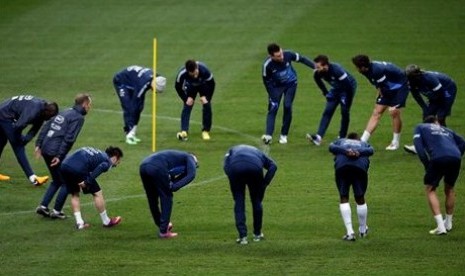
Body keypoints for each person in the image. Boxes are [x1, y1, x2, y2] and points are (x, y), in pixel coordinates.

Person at [35, 93, 92, 219]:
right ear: (84, 104)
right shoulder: (78, 117)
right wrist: (60, 156)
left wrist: (39, 144)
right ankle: (56, 211)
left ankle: (43, 206)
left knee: (57, 180)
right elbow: (69, 139)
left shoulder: (65, 111)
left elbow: (47, 125)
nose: (89, 108)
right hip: (55, 151)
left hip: (46, 148)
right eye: (89, 105)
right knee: (68, 181)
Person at [412, 116, 465, 235]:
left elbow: (419, 148)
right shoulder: (447, 130)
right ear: (436, 122)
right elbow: (463, 143)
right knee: (450, 188)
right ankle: (449, 223)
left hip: (438, 158)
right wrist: (456, 154)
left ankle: (441, 226)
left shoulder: (420, 127)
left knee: (430, 189)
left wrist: (427, 164)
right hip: (455, 158)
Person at [352, 55, 409, 150]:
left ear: (362, 67)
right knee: (376, 112)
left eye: (357, 66)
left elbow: (384, 86)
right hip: (386, 87)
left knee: (393, 112)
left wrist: (391, 103)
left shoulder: (376, 70)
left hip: (400, 86)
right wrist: (379, 97)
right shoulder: (365, 70)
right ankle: (363, 141)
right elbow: (379, 85)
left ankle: (395, 142)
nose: (356, 68)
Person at [223, 144, 277, 244]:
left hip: (236, 168)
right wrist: (264, 183)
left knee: (239, 201)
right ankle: (257, 234)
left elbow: (226, 165)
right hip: (254, 168)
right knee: (256, 201)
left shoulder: (231, 150)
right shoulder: (259, 153)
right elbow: (273, 166)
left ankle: (243, 236)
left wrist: (232, 177)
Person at [261, 43, 315, 144]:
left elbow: (302, 59)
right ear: (271, 56)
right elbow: (267, 82)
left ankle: (284, 135)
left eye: (281, 53)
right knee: (273, 108)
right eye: (278, 56)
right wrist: (273, 96)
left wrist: (315, 67)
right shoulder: (267, 65)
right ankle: (268, 135)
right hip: (276, 88)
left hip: (291, 84)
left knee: (287, 105)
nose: (281, 57)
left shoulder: (288, 54)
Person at [60, 146, 123, 230]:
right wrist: (87, 182)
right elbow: (102, 166)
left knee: (75, 194)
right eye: (119, 160)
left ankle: (80, 223)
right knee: (97, 193)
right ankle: (106, 221)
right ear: (115, 157)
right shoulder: (107, 161)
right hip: (79, 169)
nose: (118, 163)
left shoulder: (99, 153)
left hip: (64, 166)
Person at [0, 95, 58, 185]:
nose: (49, 120)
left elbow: (35, 129)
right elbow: (18, 126)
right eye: (50, 117)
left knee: (1, 142)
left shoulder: (43, 110)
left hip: (5, 112)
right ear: (47, 112)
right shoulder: (34, 110)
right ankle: (33, 179)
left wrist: (25, 140)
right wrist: (20, 140)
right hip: (5, 115)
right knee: (18, 147)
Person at [139, 150, 198, 238]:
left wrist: (173, 183)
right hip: (157, 167)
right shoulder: (190, 158)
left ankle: (160, 223)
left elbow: (171, 174)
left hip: (143, 166)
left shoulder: (177, 158)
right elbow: (191, 174)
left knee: (152, 198)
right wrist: (175, 187)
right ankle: (164, 231)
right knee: (167, 197)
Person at [329, 132, 374, 241]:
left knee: (344, 197)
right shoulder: (363, 143)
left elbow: (331, 147)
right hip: (359, 168)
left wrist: (345, 151)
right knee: (360, 198)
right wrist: (358, 152)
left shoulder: (340, 141)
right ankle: (363, 230)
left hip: (342, 167)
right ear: (358, 139)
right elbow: (371, 151)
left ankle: (350, 232)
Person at [403, 65, 457, 154]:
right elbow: (416, 96)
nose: (407, 80)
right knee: (427, 116)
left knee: (440, 117)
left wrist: (440, 108)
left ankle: (448, 143)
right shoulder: (411, 81)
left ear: (416, 76)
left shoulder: (429, 79)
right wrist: (425, 108)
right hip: (435, 94)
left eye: (409, 78)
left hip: (447, 89)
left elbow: (441, 94)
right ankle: (421, 146)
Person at [306, 55, 357, 146]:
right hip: (336, 89)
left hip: (347, 89)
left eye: (318, 67)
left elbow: (349, 86)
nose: (316, 69)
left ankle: (342, 137)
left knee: (345, 112)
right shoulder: (318, 73)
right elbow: (318, 81)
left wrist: (348, 101)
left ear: (325, 66)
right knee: (328, 111)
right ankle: (318, 137)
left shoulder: (337, 70)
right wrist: (326, 93)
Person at [113, 65, 167, 145]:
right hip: (121, 82)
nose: (154, 92)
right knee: (129, 107)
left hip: (133, 83)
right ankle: (129, 134)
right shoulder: (143, 83)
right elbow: (135, 102)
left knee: (139, 107)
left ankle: (132, 133)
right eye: (155, 90)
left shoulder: (157, 77)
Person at [175, 60, 215, 141]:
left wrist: (208, 98)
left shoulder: (204, 70)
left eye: (196, 72)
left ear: (197, 68)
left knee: (207, 105)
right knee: (188, 104)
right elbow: (177, 87)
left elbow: (212, 84)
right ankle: (184, 130)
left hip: (203, 85)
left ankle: (205, 131)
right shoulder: (182, 74)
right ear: (188, 71)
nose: (195, 75)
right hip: (191, 86)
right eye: (192, 74)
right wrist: (185, 99)